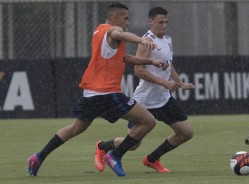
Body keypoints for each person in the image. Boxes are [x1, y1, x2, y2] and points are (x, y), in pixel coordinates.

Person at [27, 2, 167, 177]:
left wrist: (150, 62)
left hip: (90, 93)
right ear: (115, 18)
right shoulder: (112, 31)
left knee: (75, 128)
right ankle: (115, 155)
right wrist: (142, 39)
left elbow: (124, 57)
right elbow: (118, 33)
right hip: (107, 94)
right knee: (148, 121)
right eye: (125, 18)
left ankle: (38, 157)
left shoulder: (99, 31)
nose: (127, 22)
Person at [94, 6, 195, 174]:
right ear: (150, 22)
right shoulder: (147, 41)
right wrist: (163, 82)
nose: (164, 25)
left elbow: (169, 66)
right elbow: (138, 70)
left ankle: (152, 159)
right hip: (145, 101)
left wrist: (181, 83)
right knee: (133, 144)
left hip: (163, 99)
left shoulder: (168, 40)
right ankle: (102, 146)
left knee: (186, 132)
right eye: (160, 22)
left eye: (166, 22)